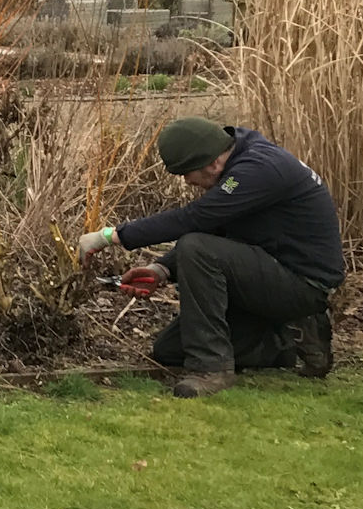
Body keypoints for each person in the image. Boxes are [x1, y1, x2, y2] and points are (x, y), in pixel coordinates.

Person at [78, 116, 342, 399]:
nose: (187, 182)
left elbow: (197, 219)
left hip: (303, 283)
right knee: (169, 350)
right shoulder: (239, 154)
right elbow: (218, 223)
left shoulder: (257, 170)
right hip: (270, 274)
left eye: (186, 173)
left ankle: (212, 369)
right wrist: (161, 269)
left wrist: (110, 236)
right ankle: (288, 338)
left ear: (212, 164)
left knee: (197, 247)